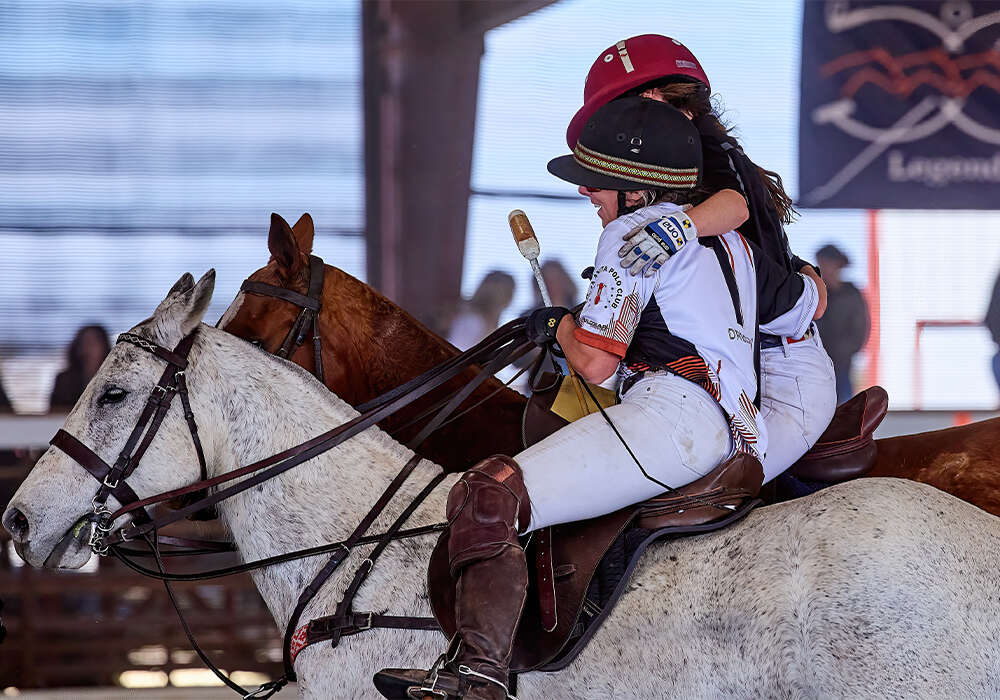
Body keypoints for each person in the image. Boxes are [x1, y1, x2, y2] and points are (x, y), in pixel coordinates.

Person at [374, 97, 821, 700]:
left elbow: (594, 362)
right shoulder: (735, 243)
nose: (588, 195)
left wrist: (555, 325)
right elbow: (801, 307)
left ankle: (478, 678)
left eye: (598, 184)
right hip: (736, 429)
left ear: (636, 191)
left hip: (673, 422)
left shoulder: (629, 235)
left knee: (487, 492)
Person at [567, 34, 837, 481]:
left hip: (770, 368)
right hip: (741, 364)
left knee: (673, 484)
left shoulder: (698, 159)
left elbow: (736, 213)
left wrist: (675, 230)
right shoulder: (704, 152)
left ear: (653, 97)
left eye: (618, 115)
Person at [815, 244, 870, 403]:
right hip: (816, 366)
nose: (822, 269)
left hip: (842, 368)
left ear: (837, 265)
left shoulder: (852, 294)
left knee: (844, 414)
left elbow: (859, 332)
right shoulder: (816, 294)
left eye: (825, 264)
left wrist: (838, 353)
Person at [447, 271, 516, 351]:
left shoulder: (489, 323)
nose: (512, 297)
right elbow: (457, 352)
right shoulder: (473, 321)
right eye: (510, 292)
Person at [49, 325, 111, 411]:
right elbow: (53, 413)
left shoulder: (117, 379)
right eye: (85, 343)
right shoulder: (63, 379)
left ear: (104, 346)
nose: (88, 348)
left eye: (93, 343)